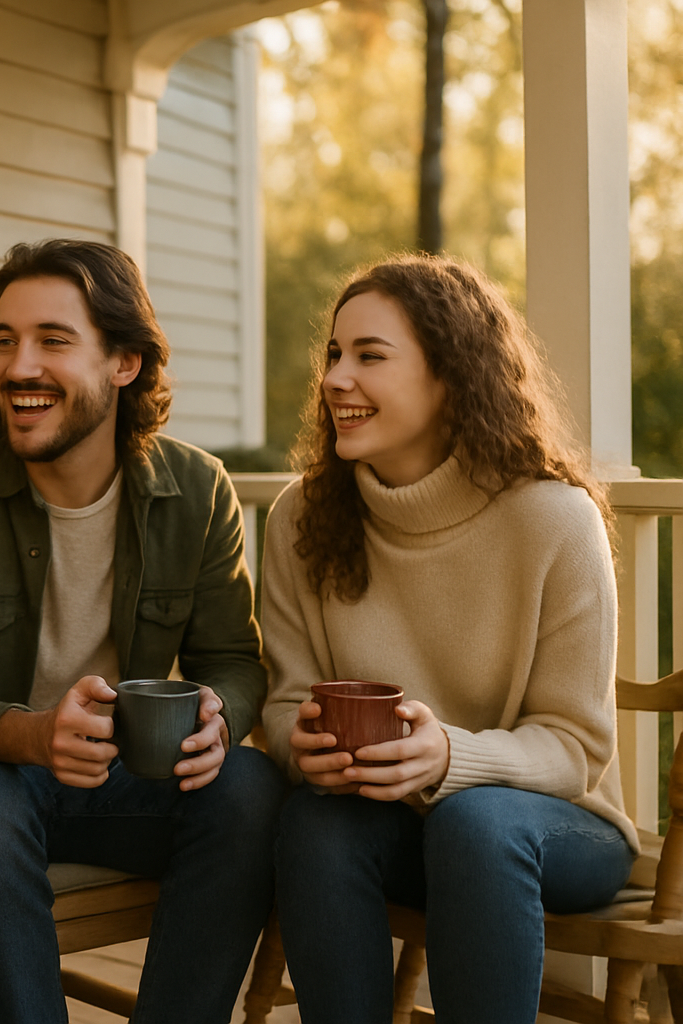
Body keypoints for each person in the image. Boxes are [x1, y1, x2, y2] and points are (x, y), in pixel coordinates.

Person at [0, 238, 287, 1024]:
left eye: (52, 340)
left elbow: (235, 660)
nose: (18, 366)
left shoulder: (197, 489)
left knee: (247, 788)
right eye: (5, 340)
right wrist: (37, 736)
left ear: (125, 363)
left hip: (129, 782)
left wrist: (219, 716)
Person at [262, 255, 636, 1023]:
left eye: (370, 356)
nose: (335, 378)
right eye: (334, 354)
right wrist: (300, 746)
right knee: (312, 821)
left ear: (451, 376)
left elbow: (574, 747)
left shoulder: (555, 520)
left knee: (475, 821)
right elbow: (286, 701)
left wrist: (450, 758)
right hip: (396, 825)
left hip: (560, 825)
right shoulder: (300, 519)